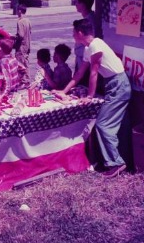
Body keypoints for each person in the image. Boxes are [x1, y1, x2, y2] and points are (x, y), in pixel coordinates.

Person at [56, 18, 131, 178]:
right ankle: (115, 161)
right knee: (108, 125)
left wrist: (90, 96)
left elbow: (94, 73)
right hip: (113, 85)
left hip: (118, 85)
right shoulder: (88, 48)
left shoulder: (96, 45)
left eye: (74, 32)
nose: (73, 35)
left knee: (103, 125)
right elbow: (79, 73)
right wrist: (64, 91)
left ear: (80, 33)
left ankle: (116, 163)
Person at [73, 0, 101, 84]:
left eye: (77, 2)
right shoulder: (89, 18)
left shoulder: (90, 21)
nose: (75, 4)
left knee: (82, 85)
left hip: (86, 62)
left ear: (83, 5)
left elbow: (91, 43)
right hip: (82, 59)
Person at [14, 4, 31, 89]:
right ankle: (27, 80)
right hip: (27, 45)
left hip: (21, 46)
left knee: (21, 64)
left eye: (17, 10)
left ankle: (24, 81)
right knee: (26, 63)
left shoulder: (20, 21)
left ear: (20, 11)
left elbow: (20, 35)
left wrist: (14, 37)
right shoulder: (27, 20)